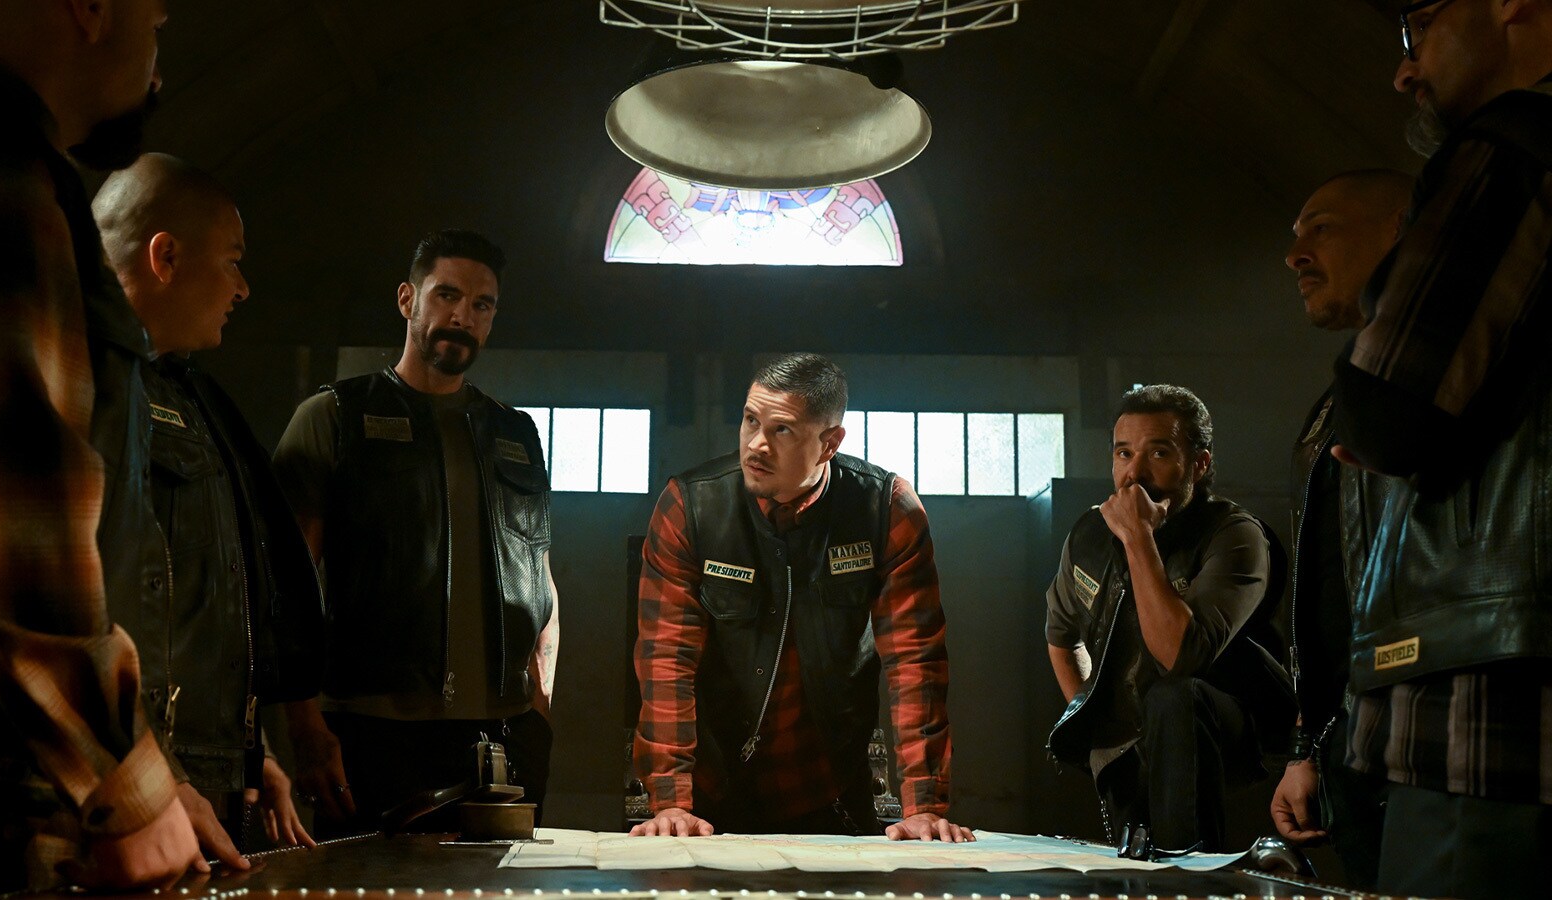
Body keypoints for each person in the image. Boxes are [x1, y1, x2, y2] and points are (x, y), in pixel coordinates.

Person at [0, 0, 203, 893]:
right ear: (92, 7)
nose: (159, 62)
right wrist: (121, 785)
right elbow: (3, 522)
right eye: (158, 21)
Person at [1330, 2, 1552, 895]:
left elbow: (1389, 410)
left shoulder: (1514, 142)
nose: (1404, 69)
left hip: (1496, 696)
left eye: (1417, 25)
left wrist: (1366, 395)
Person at [273, 229, 559, 833]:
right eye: (446, 295)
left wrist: (540, 709)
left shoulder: (516, 433)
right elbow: (285, 586)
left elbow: (538, 575)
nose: (463, 316)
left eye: (482, 305)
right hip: (372, 733)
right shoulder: (334, 418)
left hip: (503, 737)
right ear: (408, 299)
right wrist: (304, 726)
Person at [631, 352, 973, 841]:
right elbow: (666, 659)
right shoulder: (690, 507)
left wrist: (924, 806)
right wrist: (670, 801)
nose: (756, 443)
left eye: (782, 430)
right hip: (710, 792)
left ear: (829, 443)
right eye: (751, 420)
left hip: (830, 787)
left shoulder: (885, 510)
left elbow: (916, 662)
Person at [93, 153, 324, 859]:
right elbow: (85, 606)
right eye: (232, 262)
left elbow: (204, 597)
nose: (243, 287)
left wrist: (253, 751)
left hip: (206, 779)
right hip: (131, 789)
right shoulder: (84, 380)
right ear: (165, 257)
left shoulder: (191, 397)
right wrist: (157, 774)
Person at [1045, 385, 1293, 853]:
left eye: (1158, 453)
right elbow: (1061, 636)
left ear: (1198, 464)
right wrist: (1097, 723)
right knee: (1132, 873)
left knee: (1172, 697)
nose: (1135, 473)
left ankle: (1192, 872)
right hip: (1131, 747)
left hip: (1231, 748)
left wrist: (1138, 537)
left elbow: (1180, 656)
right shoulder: (1089, 535)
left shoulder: (1234, 535)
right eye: (1123, 453)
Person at [1269, 170, 1410, 887]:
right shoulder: (1336, 403)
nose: (1295, 254)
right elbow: (1326, 590)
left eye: (1321, 229)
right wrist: (1308, 748)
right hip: (1354, 735)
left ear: (1403, 231)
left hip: (1426, 729)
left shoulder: (1449, 378)